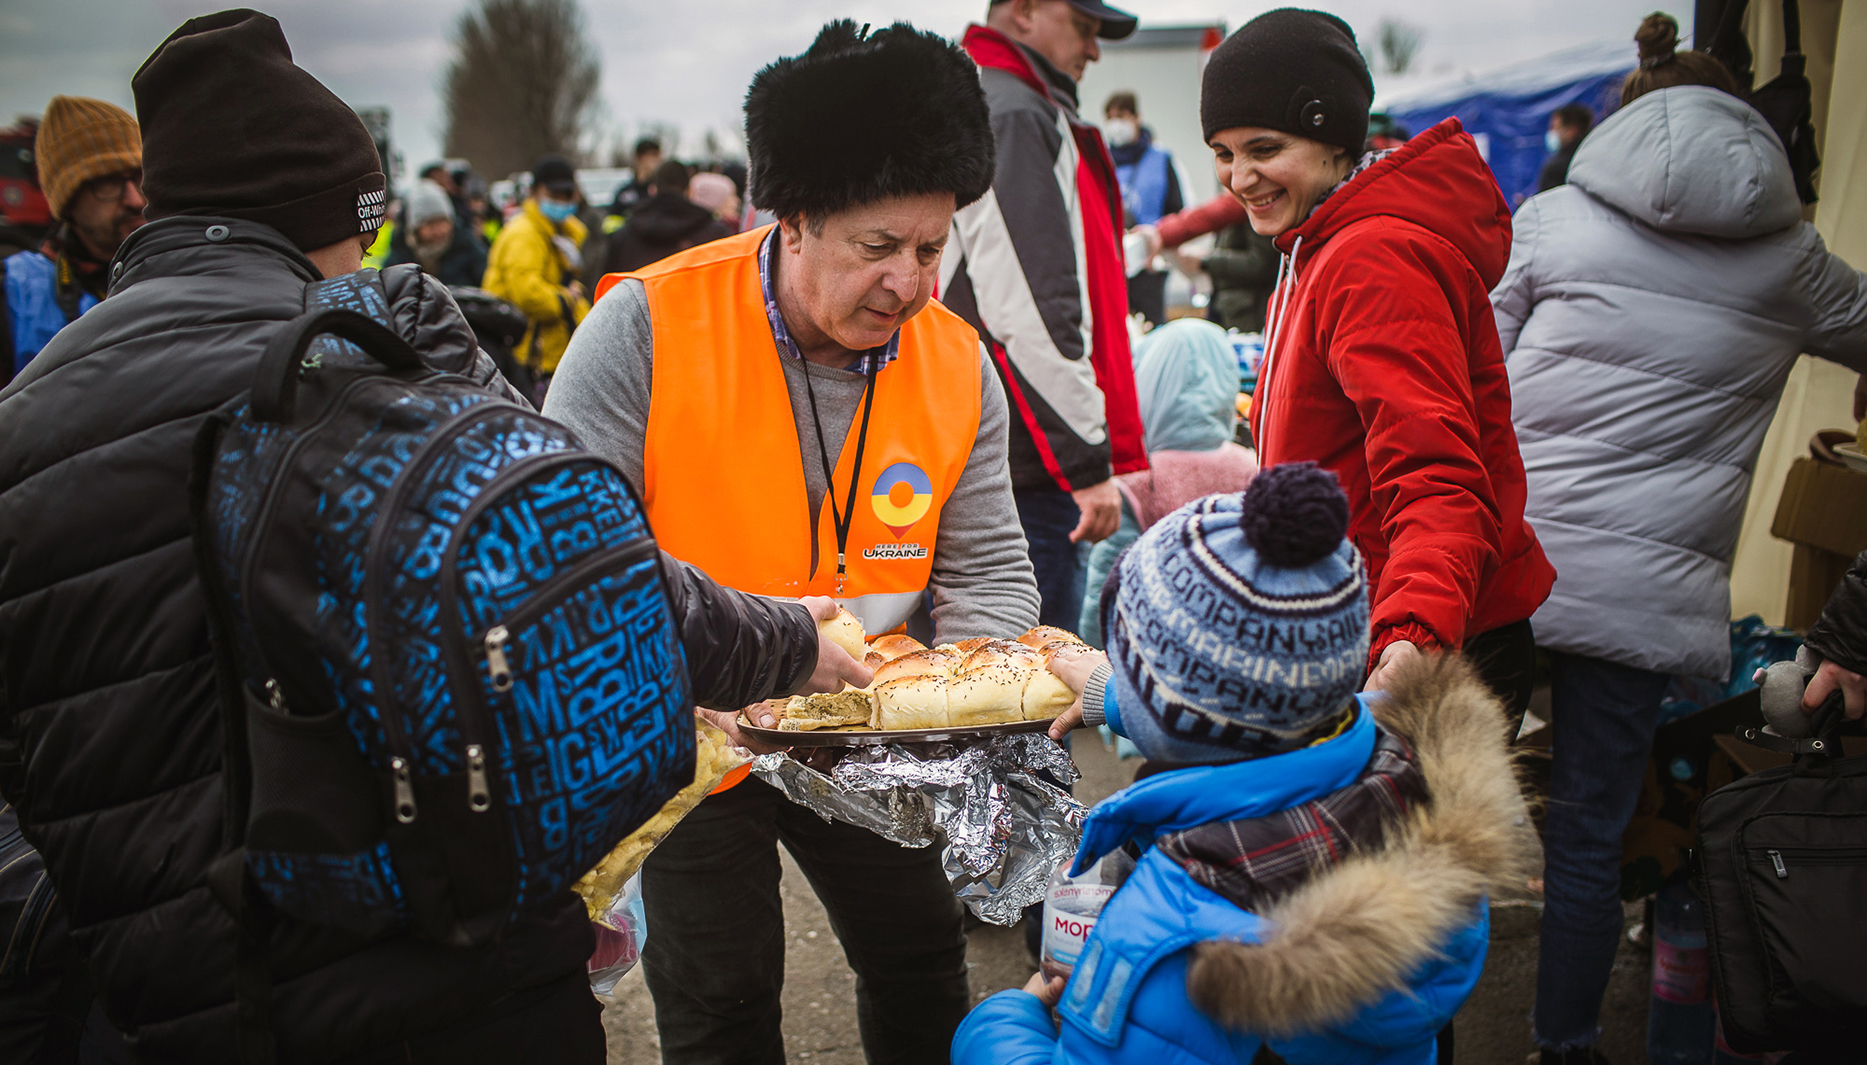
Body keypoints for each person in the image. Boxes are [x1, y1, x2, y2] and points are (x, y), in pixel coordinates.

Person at [0, 11, 850, 1061]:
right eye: (361, 231)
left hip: (165, 1000)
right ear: (325, 217)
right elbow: (596, 588)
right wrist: (796, 643)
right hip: (441, 970)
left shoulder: (23, 415)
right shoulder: (356, 359)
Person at [544, 22, 1039, 1065]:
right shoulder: (646, 327)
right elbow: (572, 564)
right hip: (693, 733)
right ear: (795, 220)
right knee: (719, 998)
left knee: (918, 964)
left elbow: (989, 567)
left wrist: (964, 704)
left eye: (931, 248)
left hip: (876, 725)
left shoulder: (957, 364)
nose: (909, 284)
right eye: (877, 249)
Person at [1489, 14, 1867, 1063]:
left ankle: (1411, 1036)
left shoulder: (1553, 221)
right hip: (1641, 605)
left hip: (1506, 569)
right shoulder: (1793, 261)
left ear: (1625, 120)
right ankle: (1562, 1045)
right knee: (1586, 841)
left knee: (1452, 819)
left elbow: (1478, 371)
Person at [962, 464, 1531, 1065]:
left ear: (1168, 706)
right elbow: (1246, 721)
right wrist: (1126, 693)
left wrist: (1004, 1023)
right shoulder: (1411, 785)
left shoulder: (1167, 940)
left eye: (1133, 672)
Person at [1201, 9, 1555, 710]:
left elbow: (1434, 475)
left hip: (1417, 645)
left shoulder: (1371, 259)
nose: (1238, 177)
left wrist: (1412, 634)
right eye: (1222, 151)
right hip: (1368, 625)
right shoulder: (1316, 244)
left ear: (1332, 137)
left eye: (1263, 148)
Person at [943, 0, 1148, 637]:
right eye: (1084, 29)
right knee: (1028, 697)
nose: (1094, 52)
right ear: (1025, 12)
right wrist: (1086, 465)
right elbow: (1030, 308)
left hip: (990, 444)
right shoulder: (1012, 110)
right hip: (1023, 461)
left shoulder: (987, 97)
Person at [1078, 317, 1255, 646]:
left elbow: (1104, 595)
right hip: (1235, 645)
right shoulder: (1251, 470)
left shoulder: (1138, 481)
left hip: (1154, 654)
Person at [1, 96, 143, 382]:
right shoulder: (12, 295)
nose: (134, 199)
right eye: (108, 183)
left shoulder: (192, 271)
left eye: (139, 176)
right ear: (68, 201)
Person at [483, 153, 590, 393]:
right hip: (529, 357)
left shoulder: (558, 233)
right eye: (554, 195)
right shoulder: (525, 234)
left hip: (549, 352)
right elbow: (528, 294)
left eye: (566, 195)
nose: (561, 202)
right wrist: (568, 299)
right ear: (534, 192)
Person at [1103, 90, 1183, 326]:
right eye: (1111, 117)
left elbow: (1177, 210)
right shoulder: (1102, 159)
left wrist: (1163, 241)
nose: (1116, 123)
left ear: (1137, 117)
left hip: (1149, 265)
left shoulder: (1161, 158)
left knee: (1152, 327)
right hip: (1113, 264)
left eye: (1122, 116)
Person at [600, 159, 731, 274]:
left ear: (652, 190)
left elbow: (606, 292)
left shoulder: (623, 238)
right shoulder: (716, 235)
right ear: (690, 191)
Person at [385, 178, 488, 287]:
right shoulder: (399, 257)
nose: (439, 230)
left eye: (443, 222)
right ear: (414, 229)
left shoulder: (469, 249)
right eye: (430, 224)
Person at [1537, 102, 1593, 193]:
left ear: (1571, 131)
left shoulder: (1555, 169)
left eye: (1554, 127)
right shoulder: (1595, 159)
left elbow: (1549, 202)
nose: (1551, 132)